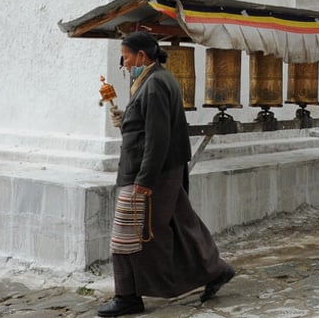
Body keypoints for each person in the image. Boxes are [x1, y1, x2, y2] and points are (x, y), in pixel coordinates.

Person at [98, 32, 235, 317]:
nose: (123, 63)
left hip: (148, 172)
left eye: (125, 56)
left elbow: (158, 137)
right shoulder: (153, 79)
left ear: (142, 56)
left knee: (126, 234)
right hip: (161, 169)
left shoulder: (156, 84)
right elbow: (147, 126)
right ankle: (215, 271)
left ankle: (127, 297)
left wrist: (144, 181)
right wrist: (125, 120)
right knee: (182, 225)